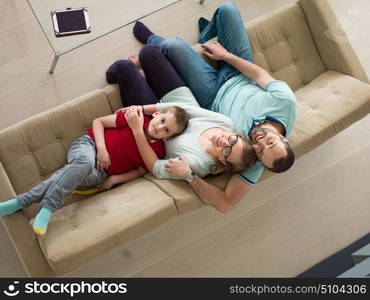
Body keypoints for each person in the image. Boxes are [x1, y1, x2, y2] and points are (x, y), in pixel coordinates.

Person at [131, 2, 298, 212]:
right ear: (284, 138)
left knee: (173, 46)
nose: (260, 142)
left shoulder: (250, 160)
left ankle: (153, 40)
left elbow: (226, 203)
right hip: (239, 72)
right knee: (227, 9)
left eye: (261, 151)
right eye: (270, 142)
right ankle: (208, 36)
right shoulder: (287, 104)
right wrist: (225, 56)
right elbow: (259, 75)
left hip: (210, 95)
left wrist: (189, 177)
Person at [0, 101, 188, 236]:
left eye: (167, 130)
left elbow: (140, 171)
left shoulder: (157, 150)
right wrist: (101, 148)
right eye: (163, 120)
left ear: (168, 138)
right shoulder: (135, 118)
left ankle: (21, 202)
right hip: (89, 146)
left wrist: (114, 179)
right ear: (157, 114)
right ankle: (49, 206)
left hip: (101, 173)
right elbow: (99, 122)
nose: (160, 128)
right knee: (84, 163)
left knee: (70, 176)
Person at [108, 45, 257, 190]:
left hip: (155, 126)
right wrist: (142, 108)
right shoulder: (226, 123)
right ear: (236, 135)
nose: (225, 142)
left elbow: (156, 168)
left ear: (224, 162)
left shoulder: (198, 165)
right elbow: (188, 109)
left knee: (125, 67)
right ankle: (143, 71)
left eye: (227, 151)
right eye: (233, 140)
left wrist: (137, 131)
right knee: (148, 52)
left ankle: (119, 76)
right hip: (178, 102)